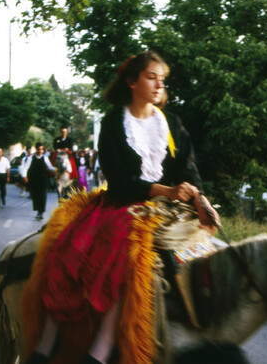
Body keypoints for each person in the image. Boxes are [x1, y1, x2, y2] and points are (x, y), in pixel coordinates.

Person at [23, 51, 220, 364]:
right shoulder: (114, 122)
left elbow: (187, 166)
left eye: (162, 79)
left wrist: (198, 195)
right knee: (89, 246)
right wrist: (166, 190)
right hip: (123, 203)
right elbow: (118, 179)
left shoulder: (171, 123)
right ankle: (83, 346)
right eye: (151, 77)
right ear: (132, 81)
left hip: (168, 208)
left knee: (212, 249)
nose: (158, 85)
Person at [25, 143, 55, 220]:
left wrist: (56, 170)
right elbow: (26, 167)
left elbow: (50, 167)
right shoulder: (31, 158)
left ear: (43, 150)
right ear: (36, 149)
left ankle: (41, 212)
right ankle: (38, 210)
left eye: (42, 149)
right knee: (35, 196)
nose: (40, 151)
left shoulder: (45, 158)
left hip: (43, 179)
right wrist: (24, 176)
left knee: (42, 196)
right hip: (34, 179)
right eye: (39, 149)